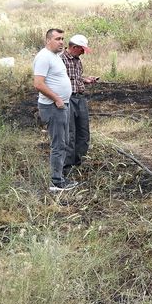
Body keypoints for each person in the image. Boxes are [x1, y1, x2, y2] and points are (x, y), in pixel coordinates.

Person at [33, 28, 78, 191]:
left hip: (61, 105)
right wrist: (57, 99)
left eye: (62, 39)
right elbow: (38, 83)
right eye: (57, 39)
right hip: (54, 106)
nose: (61, 42)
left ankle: (59, 177)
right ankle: (56, 182)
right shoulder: (43, 57)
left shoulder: (55, 56)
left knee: (64, 141)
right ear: (48, 41)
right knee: (58, 144)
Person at [62, 34, 99, 177]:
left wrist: (86, 80)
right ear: (74, 47)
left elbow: (75, 78)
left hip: (80, 98)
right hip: (67, 98)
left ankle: (79, 162)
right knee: (70, 133)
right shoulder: (60, 59)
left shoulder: (77, 60)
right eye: (81, 49)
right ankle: (67, 166)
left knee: (83, 132)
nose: (83, 52)